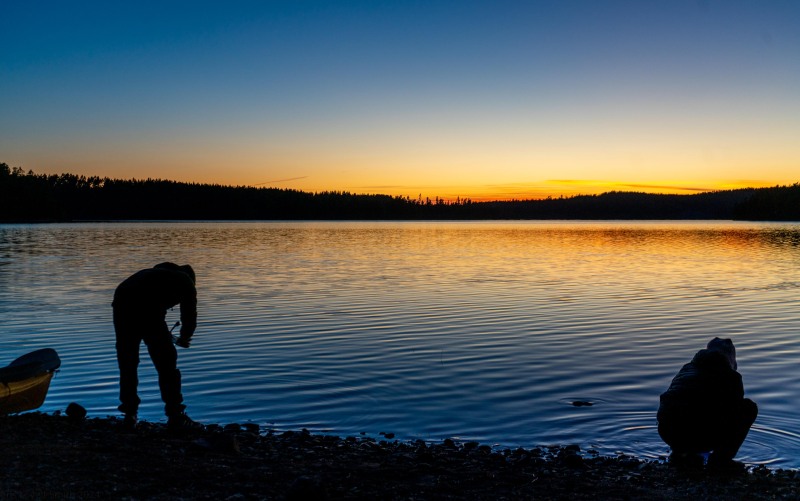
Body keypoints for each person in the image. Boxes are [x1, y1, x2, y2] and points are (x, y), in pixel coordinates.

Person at [112, 262, 200, 431]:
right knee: (166, 362)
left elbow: (155, 308)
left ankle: (129, 415)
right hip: (143, 307)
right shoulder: (185, 281)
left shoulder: (157, 274)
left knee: (127, 361)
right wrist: (185, 337)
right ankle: (175, 415)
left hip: (122, 302)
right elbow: (189, 316)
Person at [657, 337, 758, 468]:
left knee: (685, 407)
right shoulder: (731, 376)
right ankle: (720, 460)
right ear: (730, 356)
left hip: (668, 432)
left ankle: (680, 453)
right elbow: (734, 413)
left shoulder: (687, 369)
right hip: (700, 436)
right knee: (748, 408)